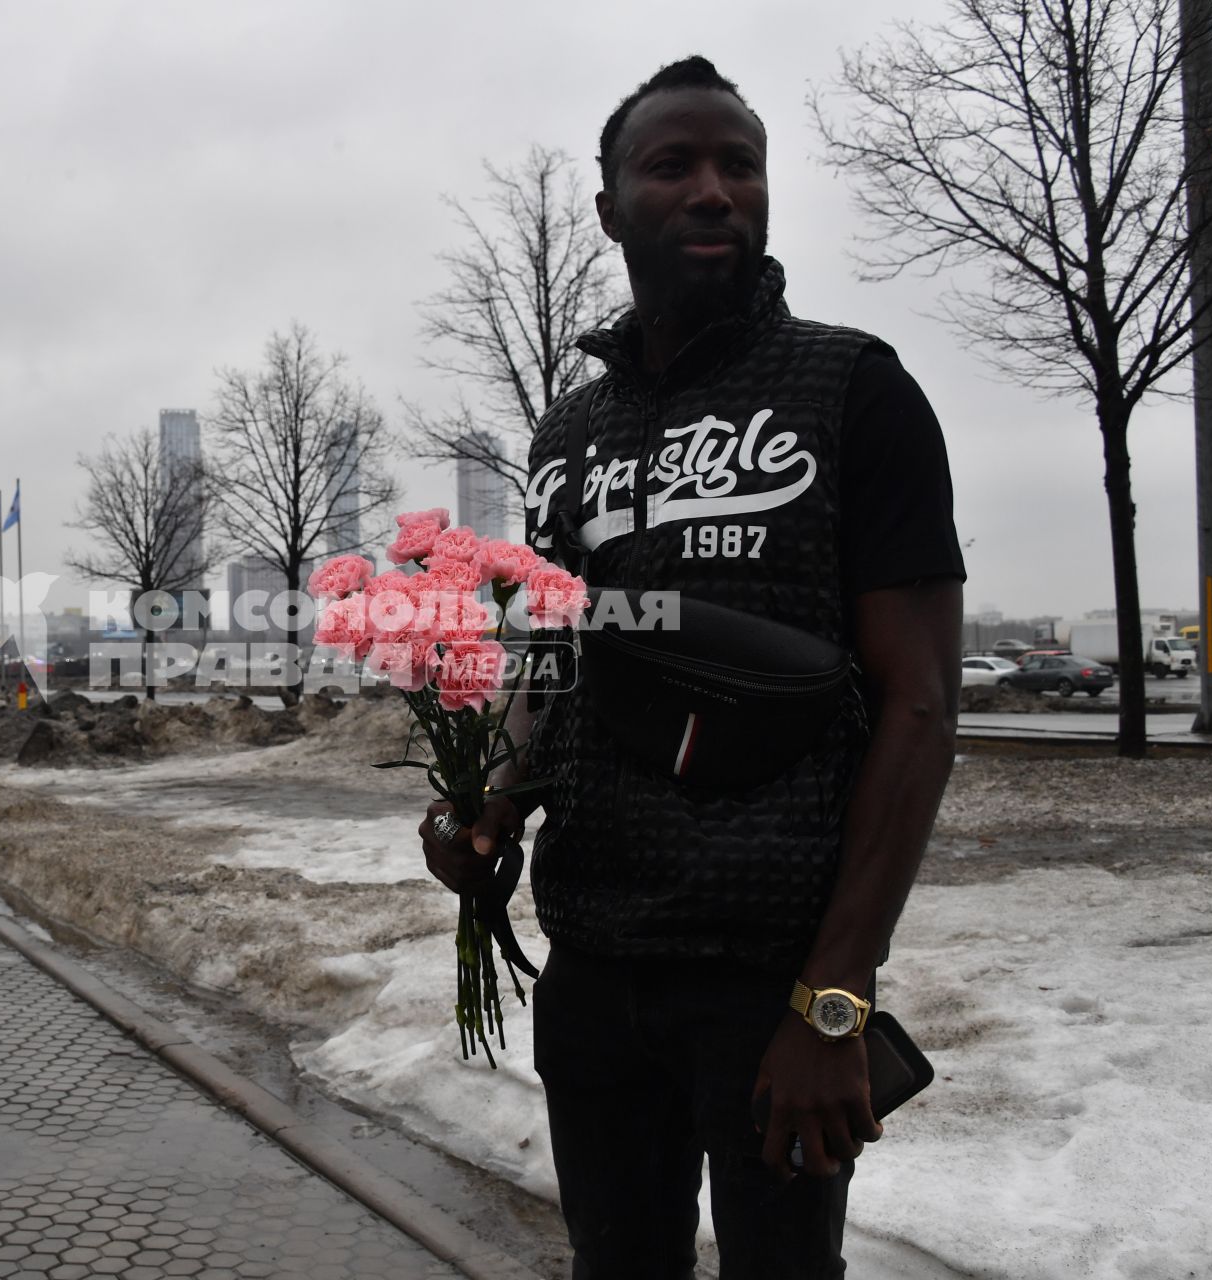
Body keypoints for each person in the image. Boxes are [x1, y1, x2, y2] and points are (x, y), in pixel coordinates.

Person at [420, 57, 965, 1278]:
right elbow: (548, 663)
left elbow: (924, 706)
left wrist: (836, 999)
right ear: (610, 207)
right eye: (675, 166)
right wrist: (488, 806)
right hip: (594, 967)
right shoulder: (566, 433)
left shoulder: (854, 390)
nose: (715, 189)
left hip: (772, 983)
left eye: (740, 165)